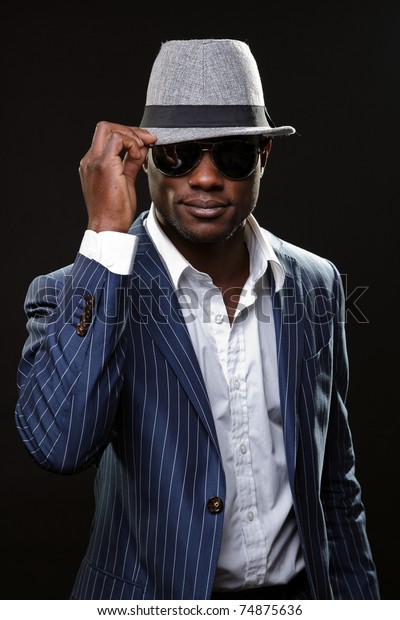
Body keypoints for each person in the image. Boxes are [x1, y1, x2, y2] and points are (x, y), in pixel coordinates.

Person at [14, 38, 380, 601]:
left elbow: (335, 483)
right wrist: (106, 240)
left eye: (230, 155)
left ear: (263, 156)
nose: (206, 179)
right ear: (145, 160)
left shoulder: (316, 284)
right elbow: (60, 445)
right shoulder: (76, 290)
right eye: (180, 155)